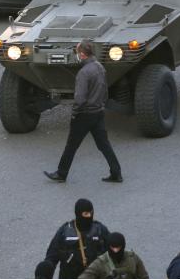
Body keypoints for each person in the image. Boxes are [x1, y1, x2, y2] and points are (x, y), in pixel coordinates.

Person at [44, 40, 122, 183]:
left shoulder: (83, 73)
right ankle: (116, 172)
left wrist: (75, 112)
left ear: (82, 54)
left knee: (71, 146)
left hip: (84, 114)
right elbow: (105, 91)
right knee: (104, 144)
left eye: (77, 52)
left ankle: (61, 173)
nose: (76, 56)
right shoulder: (100, 67)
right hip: (98, 112)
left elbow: (80, 98)